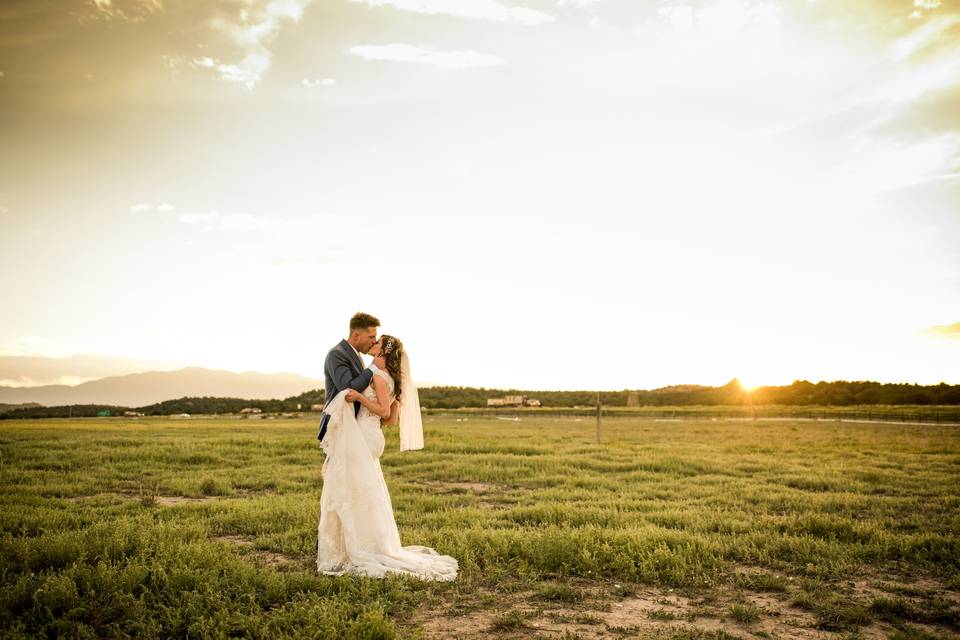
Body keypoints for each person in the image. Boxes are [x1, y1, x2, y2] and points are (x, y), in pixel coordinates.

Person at [316, 333, 458, 580]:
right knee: (366, 491)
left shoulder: (379, 378)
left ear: (383, 351)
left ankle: (360, 547)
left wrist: (360, 397)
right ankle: (367, 542)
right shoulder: (392, 380)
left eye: (377, 342)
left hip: (363, 436)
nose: (373, 344)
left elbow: (382, 410)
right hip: (373, 436)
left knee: (355, 490)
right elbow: (390, 418)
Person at [316, 312, 386, 443]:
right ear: (356, 335)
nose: (375, 341)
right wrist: (373, 367)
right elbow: (347, 389)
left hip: (352, 426)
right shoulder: (336, 354)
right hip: (338, 426)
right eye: (371, 336)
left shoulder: (356, 355)